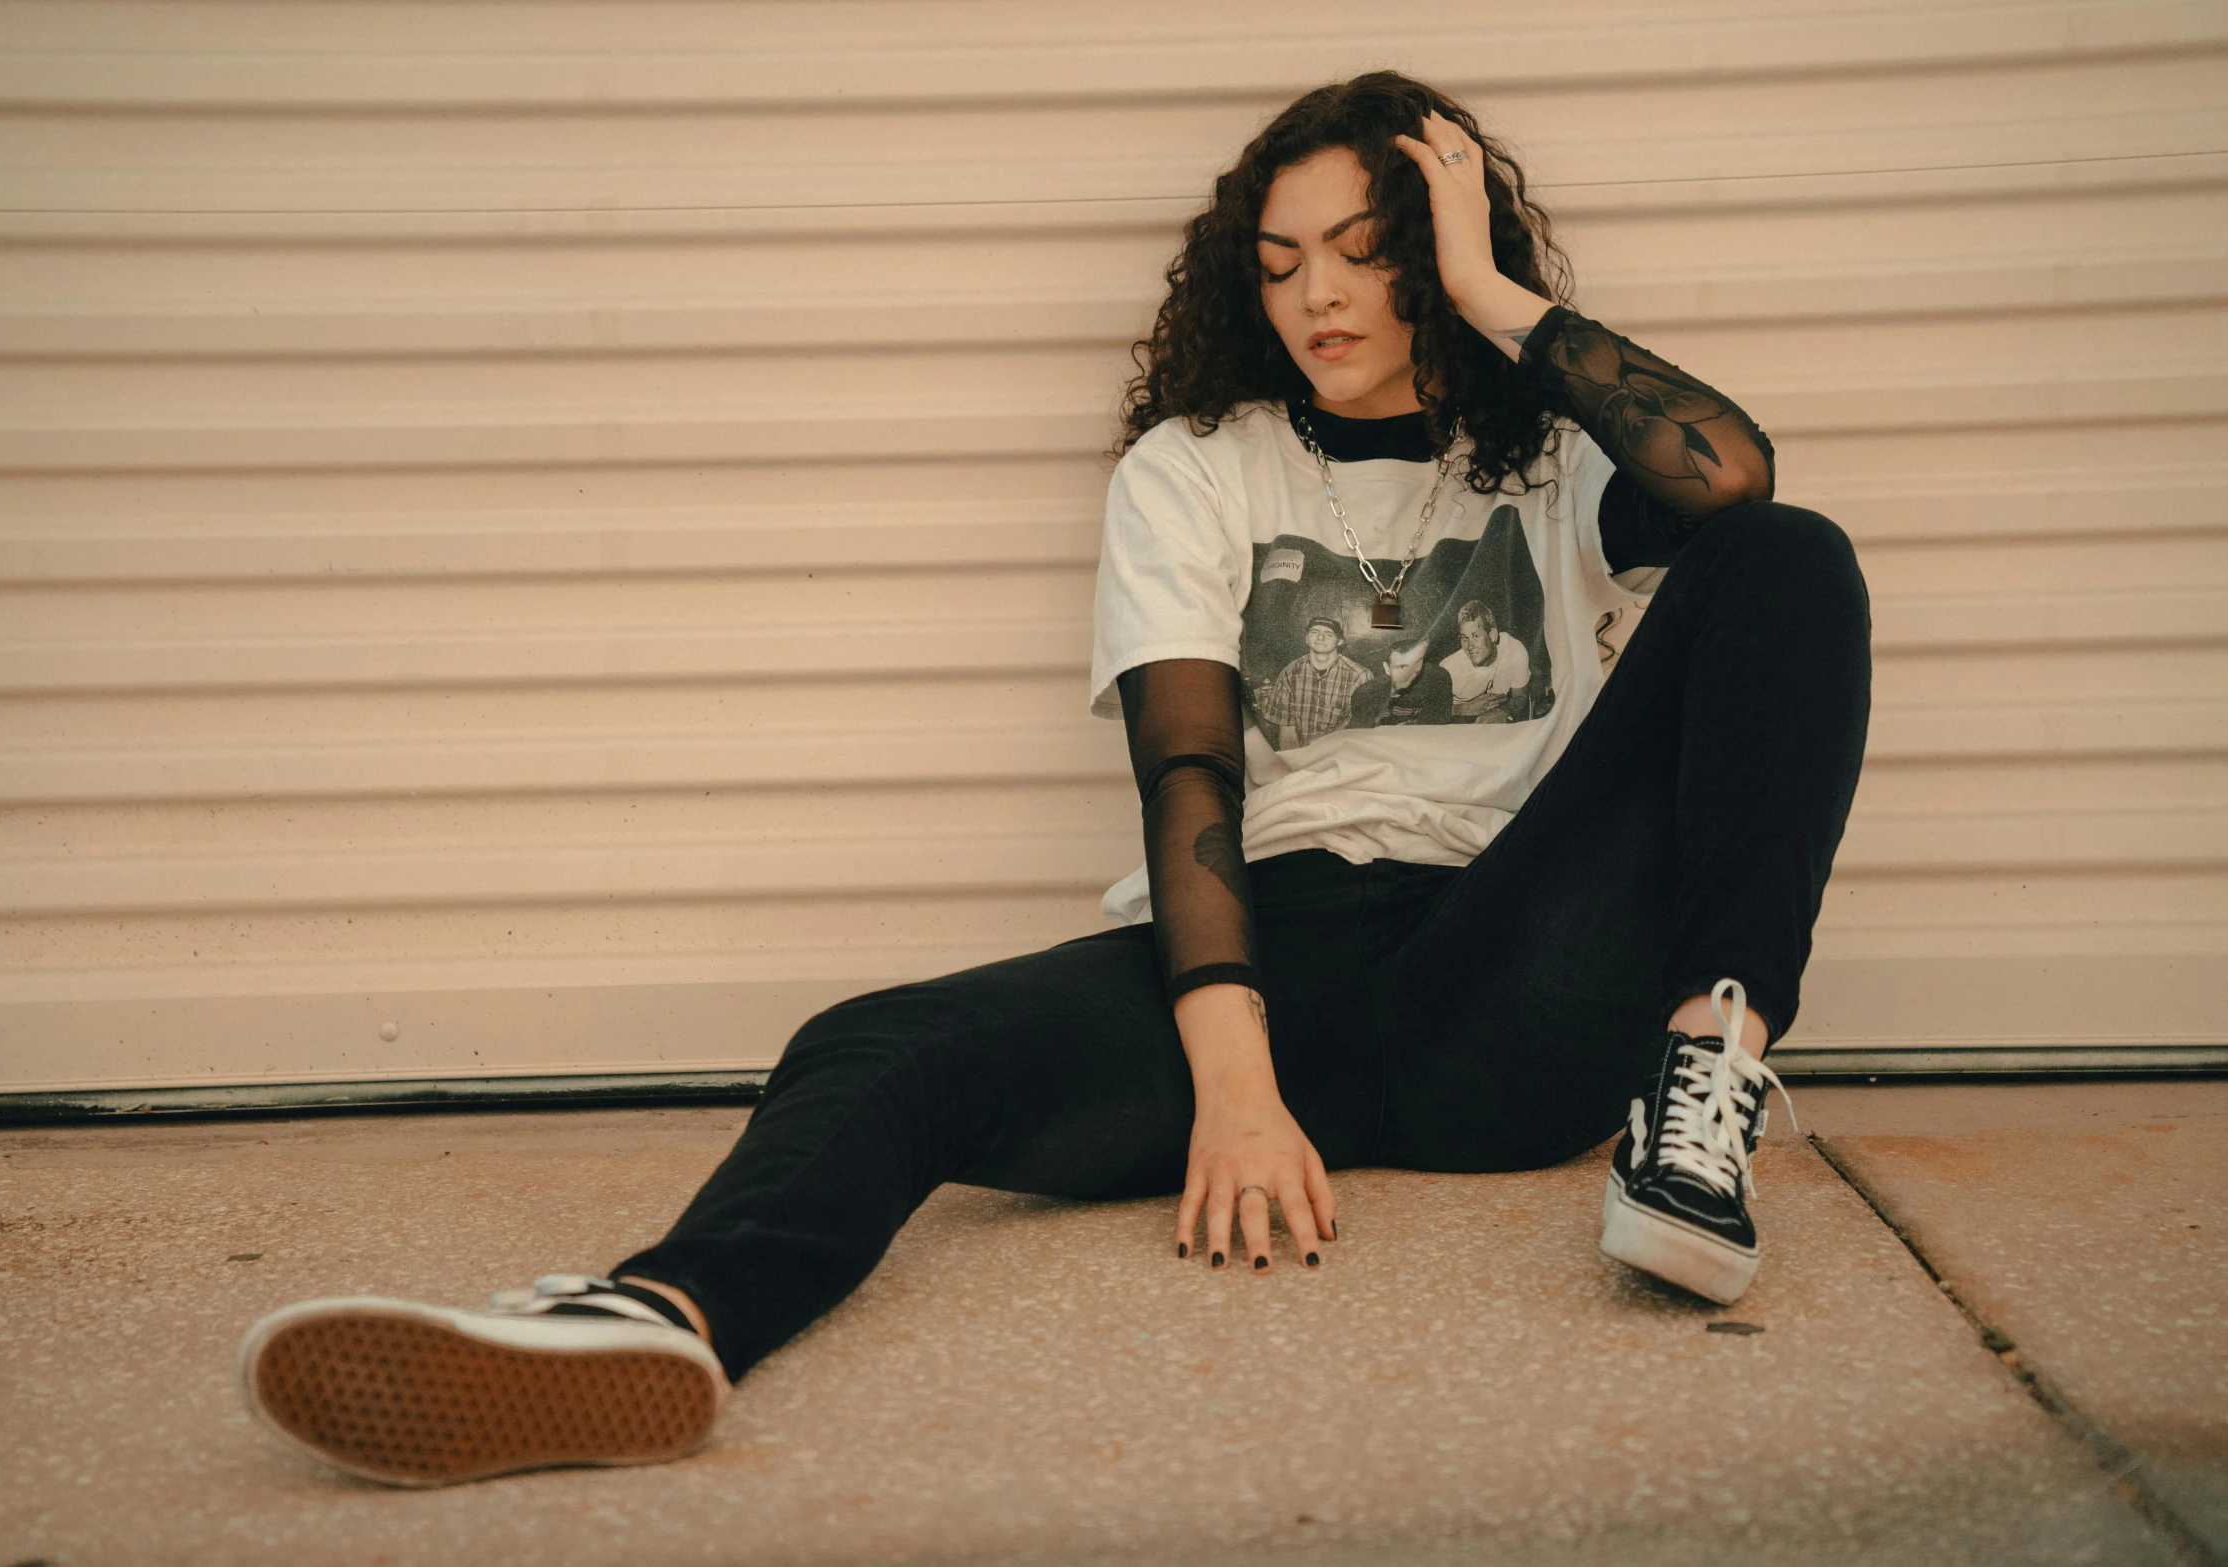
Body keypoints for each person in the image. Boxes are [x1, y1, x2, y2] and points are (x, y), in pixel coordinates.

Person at [237, 71, 1870, 1489]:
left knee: (1786, 558)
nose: (1321, 296)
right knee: (872, 1043)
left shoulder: (1553, 463)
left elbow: (1732, 472)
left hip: (1508, 969)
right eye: (1283, 259)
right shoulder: (1198, 468)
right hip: (1266, 966)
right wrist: (1236, 1088)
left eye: (1370, 253)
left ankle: (1698, 1088)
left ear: (1444, 260)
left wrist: (1495, 293)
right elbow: (1189, 780)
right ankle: (657, 1319)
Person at [1253, 615, 1370, 747]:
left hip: (1341, 755)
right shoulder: (1290, 673)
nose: (1320, 638)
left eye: (1329, 634)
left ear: (1340, 642)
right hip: (1302, 755)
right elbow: (1287, 730)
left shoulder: (1360, 677)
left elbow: (1361, 734)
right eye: (1314, 632)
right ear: (1306, 638)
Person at [1439, 599, 1532, 722]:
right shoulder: (1449, 669)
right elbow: (1422, 712)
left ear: (1492, 635)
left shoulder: (1514, 649)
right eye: (1464, 638)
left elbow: (1520, 696)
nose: (1469, 646)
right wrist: (1464, 709)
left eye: (1475, 636)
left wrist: (1503, 712)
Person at [1346, 632, 1456, 727]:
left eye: (1416, 664)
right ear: (1386, 668)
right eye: (1401, 667)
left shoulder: (1437, 680)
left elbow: (1435, 732)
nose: (1409, 674)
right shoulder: (1367, 694)